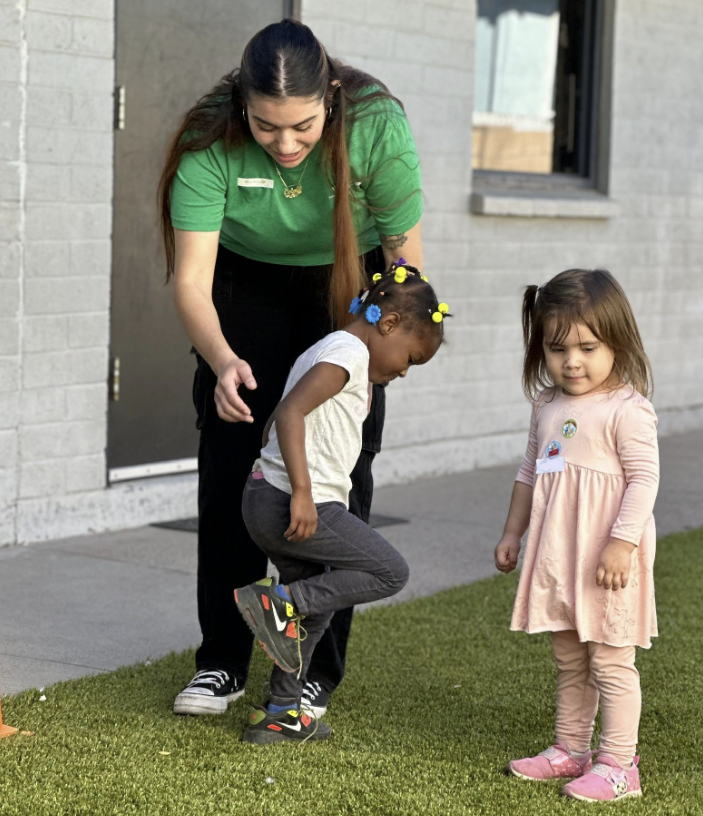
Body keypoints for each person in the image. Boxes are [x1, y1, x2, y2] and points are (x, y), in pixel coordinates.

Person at [158, 19, 424, 716]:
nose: (284, 144)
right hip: (244, 291)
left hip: (349, 286)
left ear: (330, 100)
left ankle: (311, 674)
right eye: (266, 126)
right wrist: (220, 362)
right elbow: (191, 282)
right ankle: (222, 662)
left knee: (339, 478)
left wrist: (393, 339)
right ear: (242, 105)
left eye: (302, 127)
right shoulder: (207, 141)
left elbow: (404, 264)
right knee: (230, 471)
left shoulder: (376, 126)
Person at [233, 264, 449, 743]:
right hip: (293, 499)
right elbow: (290, 412)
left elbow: (276, 419)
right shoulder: (349, 353)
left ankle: (282, 712)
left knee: (319, 609)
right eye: (410, 358)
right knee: (389, 571)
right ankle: (279, 602)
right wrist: (303, 493)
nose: (404, 371)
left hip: (270, 496)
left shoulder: (329, 349)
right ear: (388, 324)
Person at [494, 269, 659, 803]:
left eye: (588, 347)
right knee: (569, 656)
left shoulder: (627, 410)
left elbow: (644, 479)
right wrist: (513, 533)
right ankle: (570, 748)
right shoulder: (546, 405)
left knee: (610, 660)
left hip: (608, 559)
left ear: (618, 341)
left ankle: (619, 765)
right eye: (558, 348)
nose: (572, 361)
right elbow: (529, 472)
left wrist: (622, 542)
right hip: (559, 554)